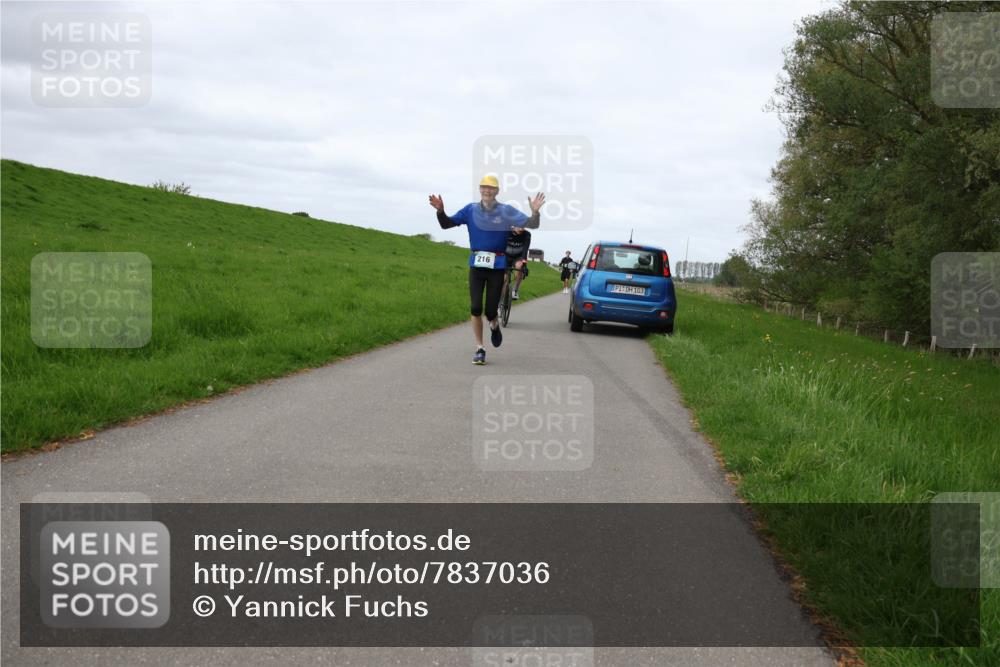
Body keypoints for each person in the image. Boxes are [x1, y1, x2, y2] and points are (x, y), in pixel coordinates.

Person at [428, 176, 544, 365]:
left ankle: (494, 324)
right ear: (479, 190)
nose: (487, 191)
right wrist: (441, 211)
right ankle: (480, 348)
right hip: (476, 264)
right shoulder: (470, 209)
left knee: (490, 311)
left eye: (491, 188)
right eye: (483, 188)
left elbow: (532, 224)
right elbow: (446, 224)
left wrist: (535, 212)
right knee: (475, 308)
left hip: (497, 265)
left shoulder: (506, 211)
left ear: (497, 191)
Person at [504, 228, 531, 300]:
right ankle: (500, 303)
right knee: (504, 279)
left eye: (523, 227)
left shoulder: (527, 234)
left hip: (518, 256)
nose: (520, 229)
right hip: (506, 256)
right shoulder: (506, 231)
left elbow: (525, 249)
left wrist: (524, 264)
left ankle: (515, 290)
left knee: (520, 266)